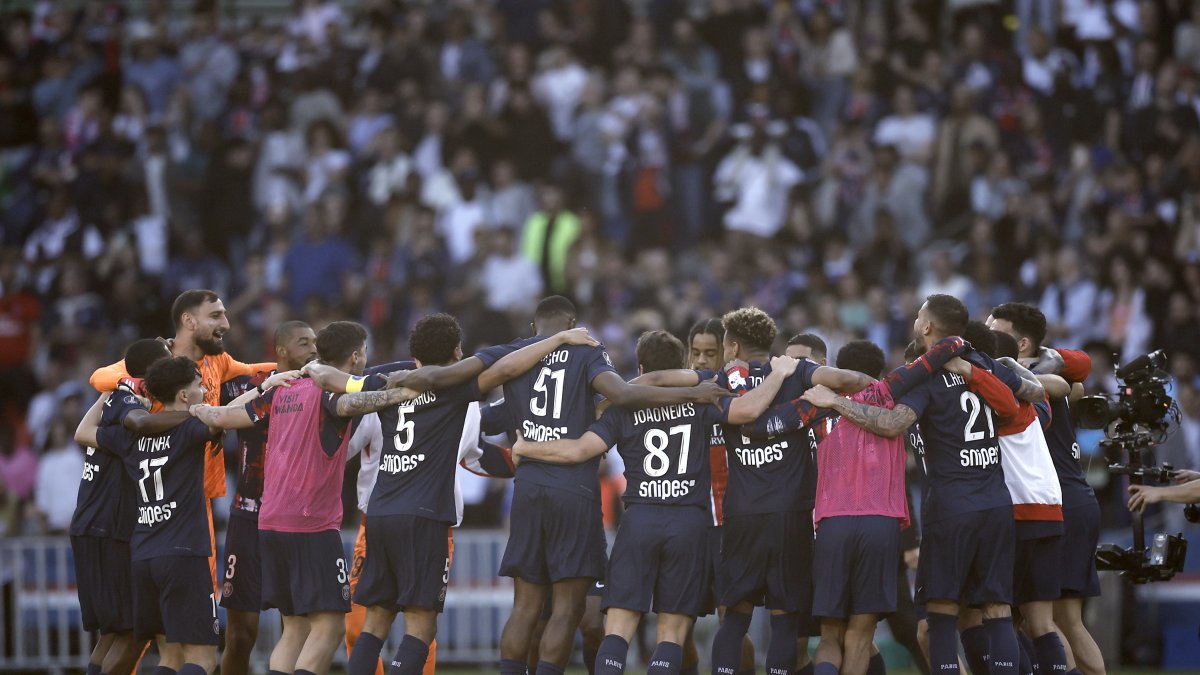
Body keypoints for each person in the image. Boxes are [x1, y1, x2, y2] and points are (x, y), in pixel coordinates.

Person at [385, 296, 729, 675]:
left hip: (528, 490)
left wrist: (406, 381)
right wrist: (693, 394)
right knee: (568, 610)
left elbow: (459, 391)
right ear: (573, 326)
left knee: (526, 608)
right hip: (576, 491)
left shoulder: (514, 353)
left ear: (534, 328)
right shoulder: (587, 352)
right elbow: (623, 394)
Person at [514, 331, 801, 675]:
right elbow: (748, 410)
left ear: (641, 367)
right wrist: (780, 376)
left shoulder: (623, 410)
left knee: (619, 626)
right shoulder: (701, 402)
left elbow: (579, 450)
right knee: (672, 632)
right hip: (688, 523)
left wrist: (527, 449)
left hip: (639, 520)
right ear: (681, 367)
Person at [335, 315, 603, 675]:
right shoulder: (459, 390)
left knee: (373, 625)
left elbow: (341, 406)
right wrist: (555, 341)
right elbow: (503, 371)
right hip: (426, 516)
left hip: (379, 512)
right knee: (421, 626)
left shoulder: (386, 380)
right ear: (458, 352)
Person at [799, 295, 1044, 675]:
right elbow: (1033, 392)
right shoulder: (983, 364)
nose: (915, 319)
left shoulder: (925, 373)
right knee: (997, 612)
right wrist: (1008, 366)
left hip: (952, 506)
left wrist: (836, 402)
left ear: (927, 327)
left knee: (941, 615)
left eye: (918, 315)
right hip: (996, 503)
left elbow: (892, 423)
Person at [189, 321, 415, 675]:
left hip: (270, 522)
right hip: (310, 524)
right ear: (355, 359)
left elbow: (226, 416)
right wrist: (403, 394)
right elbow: (359, 401)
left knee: (295, 628)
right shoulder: (329, 394)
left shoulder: (281, 389)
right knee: (329, 627)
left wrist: (199, 410)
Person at [75, 356, 288, 675]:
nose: (205, 390)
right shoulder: (190, 429)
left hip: (144, 556)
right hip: (184, 556)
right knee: (201, 657)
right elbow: (229, 415)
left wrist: (109, 395)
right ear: (185, 395)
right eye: (199, 385)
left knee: (170, 656)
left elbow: (84, 431)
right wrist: (266, 388)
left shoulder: (129, 436)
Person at [87, 289, 276, 609]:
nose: (226, 324)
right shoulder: (156, 360)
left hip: (197, 498)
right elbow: (99, 377)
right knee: (143, 627)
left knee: (198, 610)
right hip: (156, 501)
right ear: (188, 321)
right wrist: (137, 380)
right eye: (216, 315)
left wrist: (309, 366)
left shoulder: (219, 360)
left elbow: (258, 369)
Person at [942, 325, 1070, 675]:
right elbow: (1062, 384)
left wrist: (971, 372)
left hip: (1015, 513)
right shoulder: (1030, 400)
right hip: (1050, 510)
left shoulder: (987, 401)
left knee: (985, 617)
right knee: (1039, 623)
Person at [987, 302, 1105, 675]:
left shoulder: (1035, 380)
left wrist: (1046, 361)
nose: (986, 332)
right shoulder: (1046, 374)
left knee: (1055, 621)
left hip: (1057, 502)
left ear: (1020, 343)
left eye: (995, 329)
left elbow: (1081, 366)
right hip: (1066, 499)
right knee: (1038, 620)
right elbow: (1079, 373)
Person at [69, 339, 190, 675]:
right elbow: (140, 423)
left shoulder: (113, 397)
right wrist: (195, 415)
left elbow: (82, 432)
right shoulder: (128, 404)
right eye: (166, 361)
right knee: (132, 629)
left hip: (92, 525)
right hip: (109, 528)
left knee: (114, 631)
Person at [218, 321, 319, 675]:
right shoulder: (250, 385)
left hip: (293, 518)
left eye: (315, 342)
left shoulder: (318, 387)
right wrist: (263, 386)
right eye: (304, 342)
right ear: (281, 350)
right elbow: (214, 407)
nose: (313, 348)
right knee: (241, 636)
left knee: (297, 627)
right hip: (249, 515)